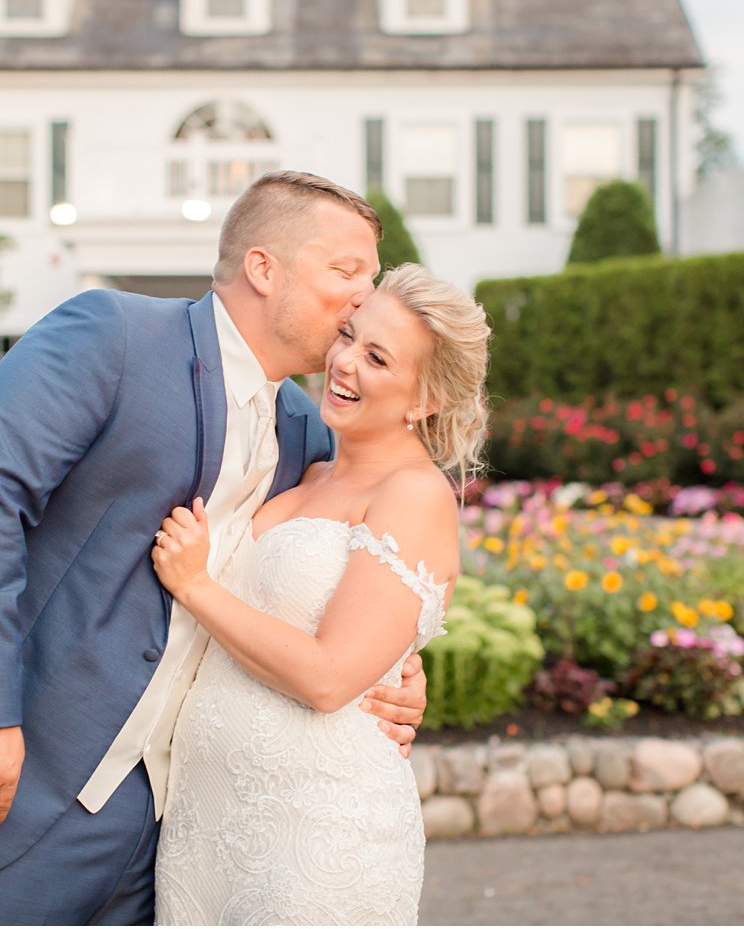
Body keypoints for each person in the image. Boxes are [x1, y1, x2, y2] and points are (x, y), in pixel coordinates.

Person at [0, 171, 430, 925]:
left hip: (166, 821)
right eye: (345, 272)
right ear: (262, 267)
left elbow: (361, 563)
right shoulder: (112, 334)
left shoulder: (305, 430)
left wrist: (396, 669)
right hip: (16, 778)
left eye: (370, 280)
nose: (361, 297)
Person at [150, 263, 491, 925]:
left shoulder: (415, 495)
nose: (343, 362)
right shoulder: (303, 466)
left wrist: (195, 585)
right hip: (207, 822)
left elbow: (332, 679)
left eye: (377, 357)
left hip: (317, 830)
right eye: (348, 336)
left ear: (423, 399)